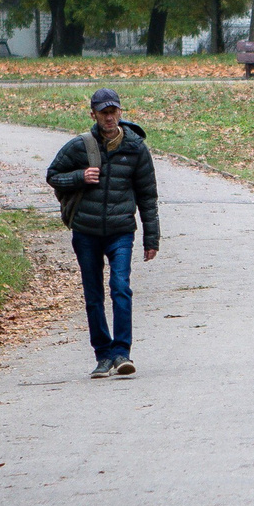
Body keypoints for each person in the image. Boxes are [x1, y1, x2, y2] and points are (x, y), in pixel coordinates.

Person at [46, 89, 161, 378]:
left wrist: (151, 239)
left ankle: (122, 353)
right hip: (85, 231)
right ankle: (103, 355)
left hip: (121, 231)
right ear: (93, 115)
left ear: (120, 112)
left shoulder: (136, 149)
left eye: (113, 111)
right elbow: (53, 174)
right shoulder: (80, 146)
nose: (109, 117)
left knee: (120, 287)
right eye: (103, 112)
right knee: (93, 294)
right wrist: (79, 176)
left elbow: (148, 197)